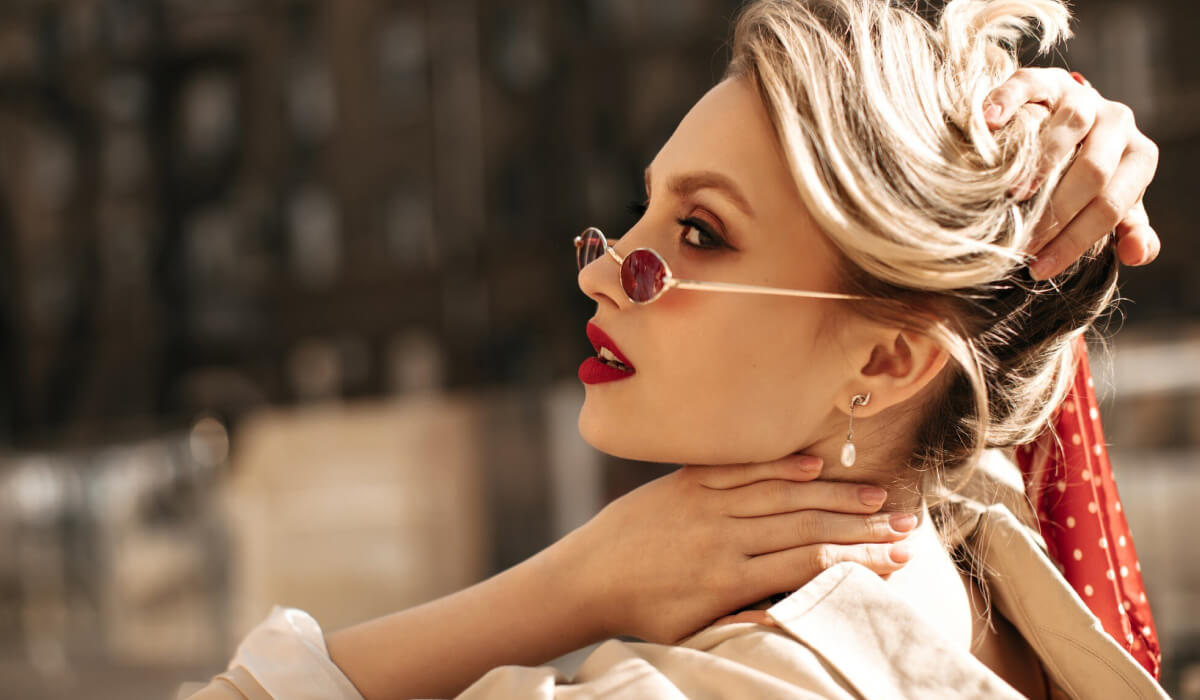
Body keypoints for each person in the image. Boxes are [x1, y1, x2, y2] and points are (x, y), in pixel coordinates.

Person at [181, 0, 1167, 698]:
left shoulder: (722, 683)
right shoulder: (994, 546)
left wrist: (575, 583)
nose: (601, 274)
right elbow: (995, 303)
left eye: (700, 232)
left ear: (884, 363)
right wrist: (1042, 142)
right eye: (641, 212)